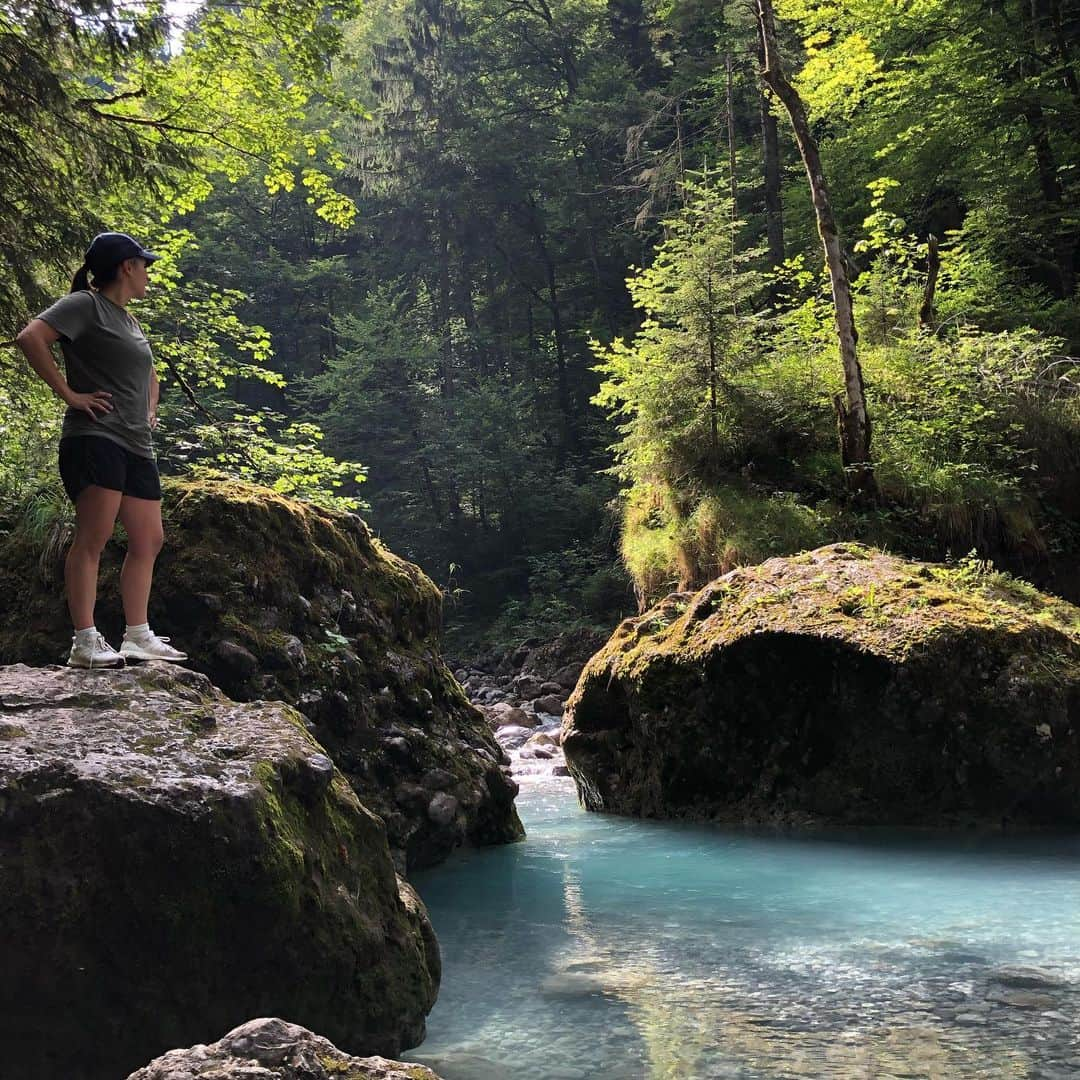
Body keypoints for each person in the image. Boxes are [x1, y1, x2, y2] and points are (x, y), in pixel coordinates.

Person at [16, 232, 188, 669]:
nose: (148, 272)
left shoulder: (128, 319)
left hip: (135, 444)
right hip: (95, 438)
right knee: (94, 536)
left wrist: (149, 408)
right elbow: (30, 338)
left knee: (149, 539)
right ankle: (85, 642)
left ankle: (136, 636)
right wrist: (71, 395)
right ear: (126, 267)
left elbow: (149, 375)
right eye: (144, 264)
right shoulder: (85, 305)